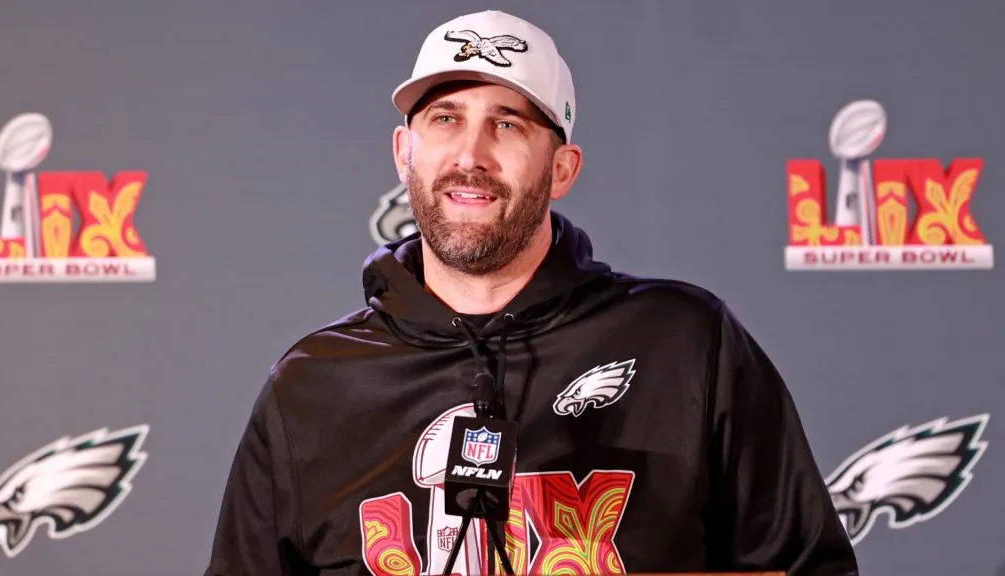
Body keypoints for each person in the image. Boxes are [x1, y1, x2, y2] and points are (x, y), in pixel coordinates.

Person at [203, 9, 860, 576]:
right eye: (445, 119)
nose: (471, 154)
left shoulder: (683, 343)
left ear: (563, 167)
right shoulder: (313, 387)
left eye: (508, 124)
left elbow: (806, 566)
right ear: (405, 152)